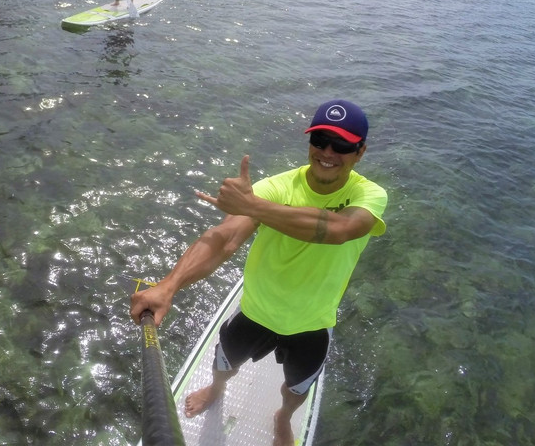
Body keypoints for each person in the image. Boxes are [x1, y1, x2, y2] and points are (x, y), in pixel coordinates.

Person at [129, 99, 388, 446]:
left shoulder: (369, 194)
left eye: (342, 145)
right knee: (224, 364)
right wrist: (169, 285)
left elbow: (339, 230)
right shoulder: (276, 187)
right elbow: (223, 240)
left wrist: (253, 206)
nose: (328, 152)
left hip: (311, 322)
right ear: (309, 142)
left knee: (295, 388)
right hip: (256, 311)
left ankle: (283, 418)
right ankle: (216, 390)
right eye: (320, 140)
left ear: (360, 151)